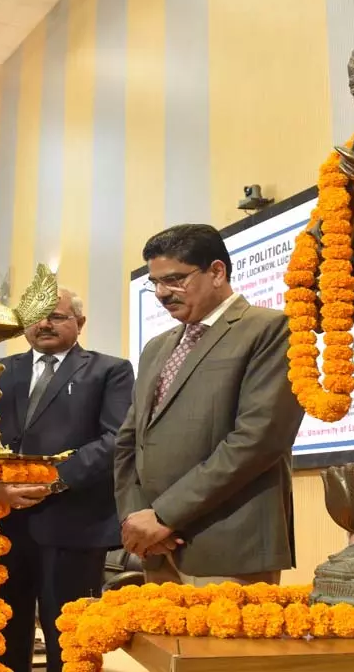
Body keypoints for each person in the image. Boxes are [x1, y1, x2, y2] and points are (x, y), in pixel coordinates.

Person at [0, 288, 134, 672]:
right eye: (36, 317)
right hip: (0, 526)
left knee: (68, 640)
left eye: (58, 316)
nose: (45, 324)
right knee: (2, 635)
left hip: (73, 523)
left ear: (79, 323)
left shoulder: (109, 370)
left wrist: (50, 481)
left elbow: (117, 439)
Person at [114, 224, 304, 585]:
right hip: (155, 546)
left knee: (225, 644)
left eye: (174, 280)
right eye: (153, 283)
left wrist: (166, 515)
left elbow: (259, 439)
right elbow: (129, 440)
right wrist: (136, 518)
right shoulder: (157, 346)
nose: (161, 293)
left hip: (229, 543)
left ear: (217, 272)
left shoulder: (269, 329)